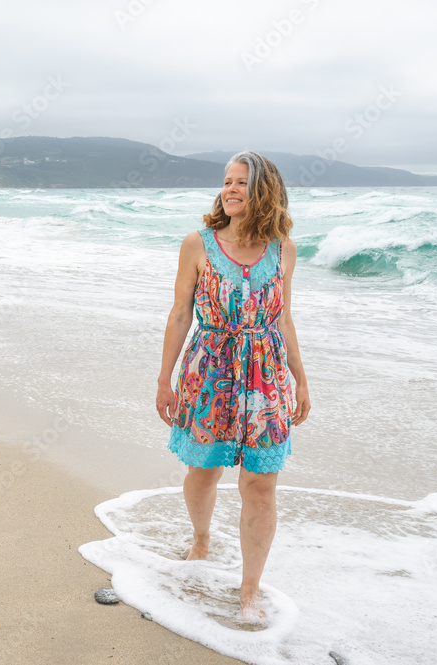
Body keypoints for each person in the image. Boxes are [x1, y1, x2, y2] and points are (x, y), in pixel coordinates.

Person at [155, 150, 310, 621]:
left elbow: (282, 317)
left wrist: (300, 378)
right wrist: (165, 378)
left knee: (261, 485)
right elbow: (181, 313)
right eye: (227, 182)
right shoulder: (197, 244)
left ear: (264, 189)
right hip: (210, 373)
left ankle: (250, 589)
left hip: (266, 377)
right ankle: (201, 538)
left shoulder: (284, 249)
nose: (230, 190)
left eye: (241, 182)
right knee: (203, 471)